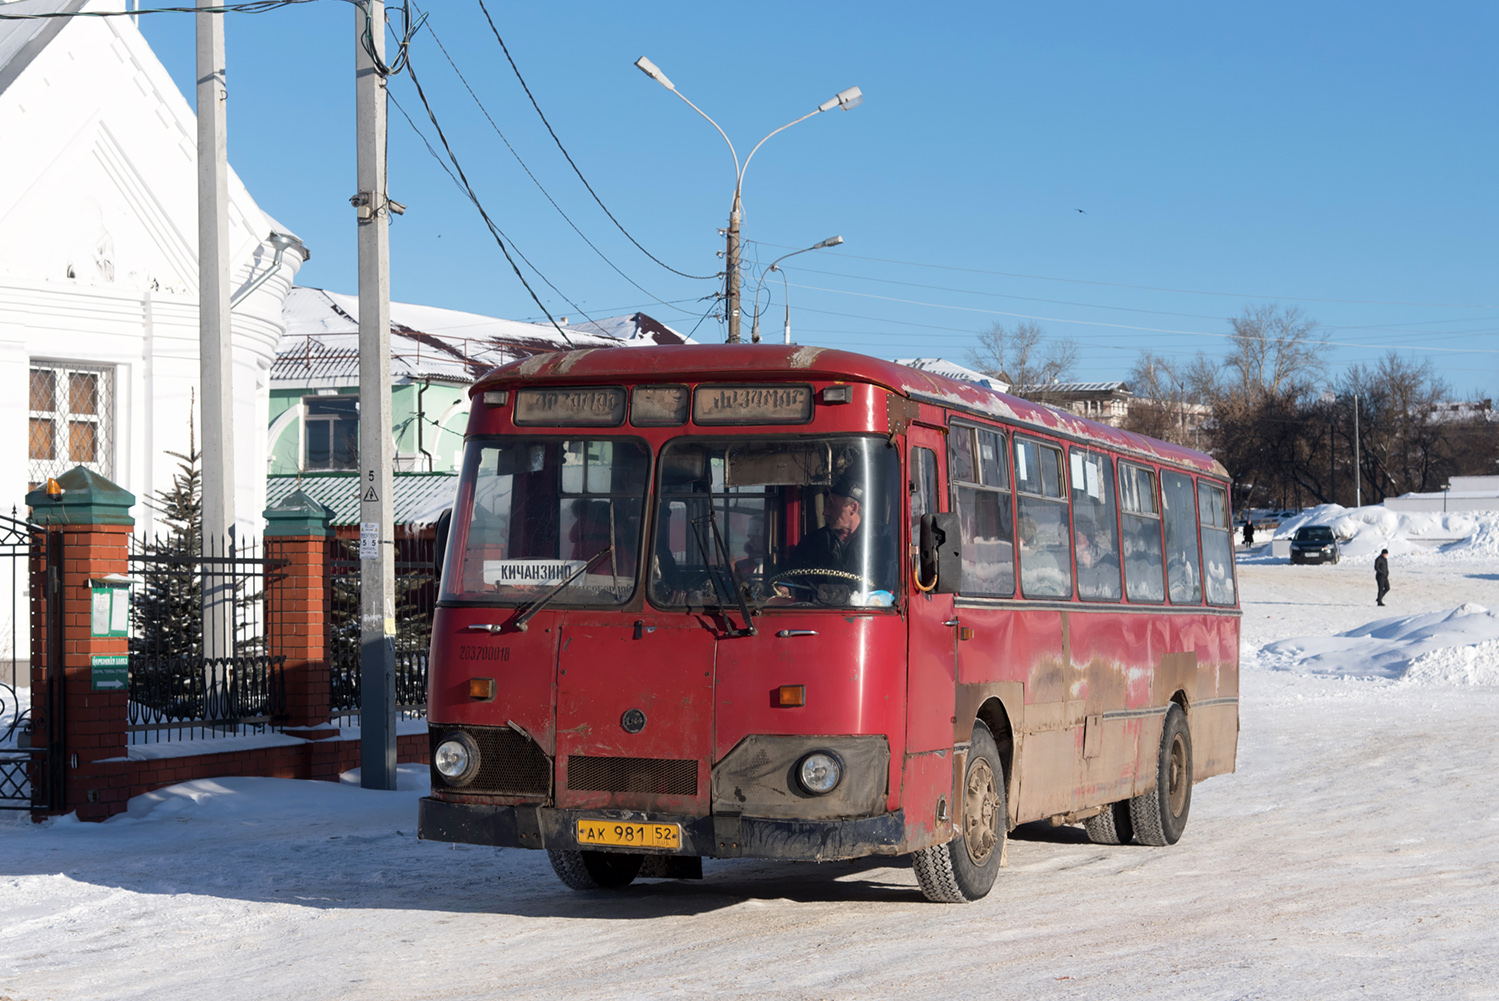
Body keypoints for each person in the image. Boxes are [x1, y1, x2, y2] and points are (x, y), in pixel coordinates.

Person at [789, 473, 896, 591]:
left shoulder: (884, 540)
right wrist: (786, 588)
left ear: (853, 508)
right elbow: (792, 579)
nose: (825, 512)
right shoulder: (812, 542)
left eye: (831, 506)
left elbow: (893, 587)